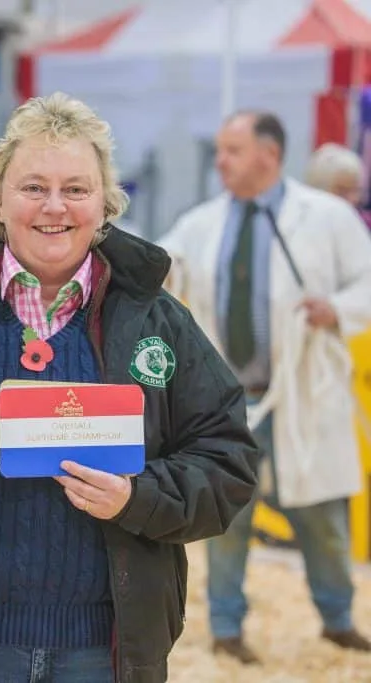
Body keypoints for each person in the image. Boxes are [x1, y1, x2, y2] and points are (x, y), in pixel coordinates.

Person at [0, 92, 259, 683]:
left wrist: (140, 496)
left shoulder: (160, 323)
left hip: (105, 652)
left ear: (105, 204)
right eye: (33, 187)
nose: (54, 207)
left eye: (76, 189)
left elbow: (229, 461)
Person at [161, 111, 371, 664]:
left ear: (268, 156)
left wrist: (338, 310)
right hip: (229, 400)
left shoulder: (327, 216)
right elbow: (162, 263)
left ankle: (338, 619)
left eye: (231, 150)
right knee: (226, 516)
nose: (220, 161)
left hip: (302, 392)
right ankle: (227, 629)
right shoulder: (202, 222)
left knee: (322, 518)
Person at [305, 141, 371, 228]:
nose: (352, 198)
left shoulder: (366, 226)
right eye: (342, 191)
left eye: (355, 190)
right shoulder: (302, 225)